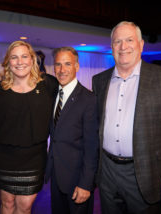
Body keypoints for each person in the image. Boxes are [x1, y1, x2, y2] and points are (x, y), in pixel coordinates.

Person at [92, 21, 161, 213]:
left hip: (145, 171)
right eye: (117, 41)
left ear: (141, 44)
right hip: (107, 172)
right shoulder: (99, 81)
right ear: (111, 47)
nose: (123, 46)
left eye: (129, 40)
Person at [0, 41, 58, 214]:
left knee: (25, 207)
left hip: (33, 158)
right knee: (7, 204)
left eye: (24, 56)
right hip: (4, 156)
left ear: (32, 59)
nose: (20, 61)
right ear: (8, 62)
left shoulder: (48, 84)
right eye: (14, 57)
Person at [45, 47, 99, 214]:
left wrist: (85, 184)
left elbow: (92, 147)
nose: (62, 70)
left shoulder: (89, 100)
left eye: (67, 64)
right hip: (56, 176)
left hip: (77, 180)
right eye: (58, 64)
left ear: (77, 66)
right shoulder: (52, 94)